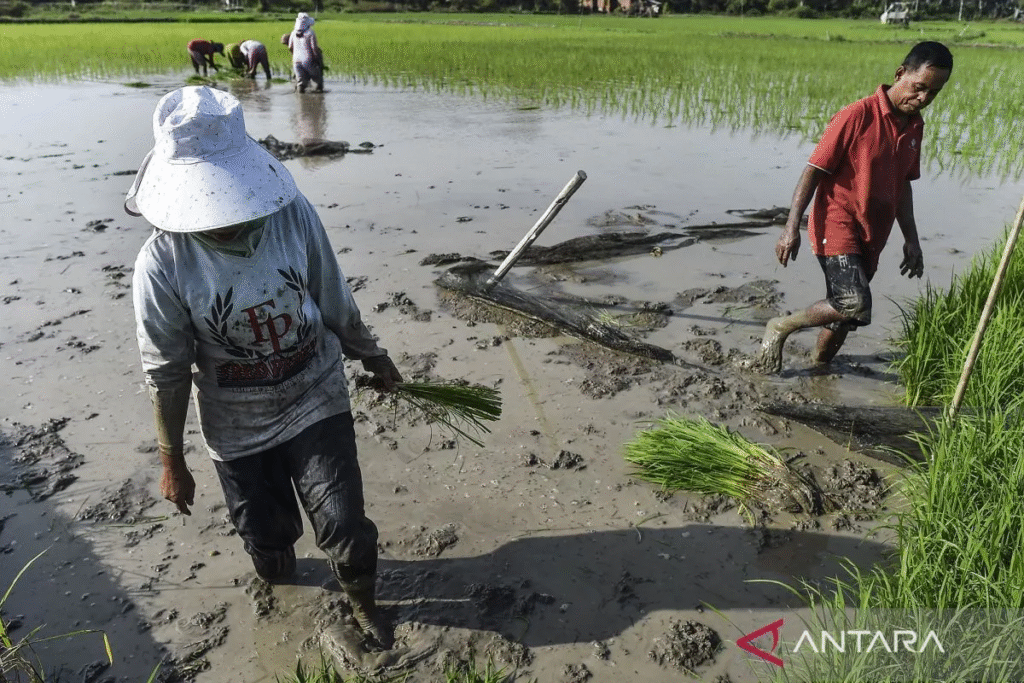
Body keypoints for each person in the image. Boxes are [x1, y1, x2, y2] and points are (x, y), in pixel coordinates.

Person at [125, 86, 402, 652]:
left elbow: (332, 293)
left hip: (314, 392)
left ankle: (363, 603)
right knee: (267, 540)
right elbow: (167, 371)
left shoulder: (291, 215)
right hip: (236, 422)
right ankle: (281, 585)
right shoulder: (162, 264)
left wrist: (370, 352)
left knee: (344, 522)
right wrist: (173, 461)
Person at [756, 41, 953, 373]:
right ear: (900, 74)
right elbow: (813, 171)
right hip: (838, 223)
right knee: (854, 302)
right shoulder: (857, 114)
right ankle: (781, 326)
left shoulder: (915, 126)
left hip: (873, 231)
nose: (923, 98)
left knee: (844, 316)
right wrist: (791, 228)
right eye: (919, 87)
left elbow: (903, 185)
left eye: (933, 93)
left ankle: (819, 368)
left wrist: (912, 239)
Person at [288, 12, 324, 93]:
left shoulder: (293, 33)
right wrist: (317, 59)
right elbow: (314, 48)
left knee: (300, 82)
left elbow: (290, 47)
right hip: (308, 59)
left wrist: (295, 55)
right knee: (317, 78)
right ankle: (319, 97)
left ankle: (300, 98)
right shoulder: (310, 33)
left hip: (296, 60)